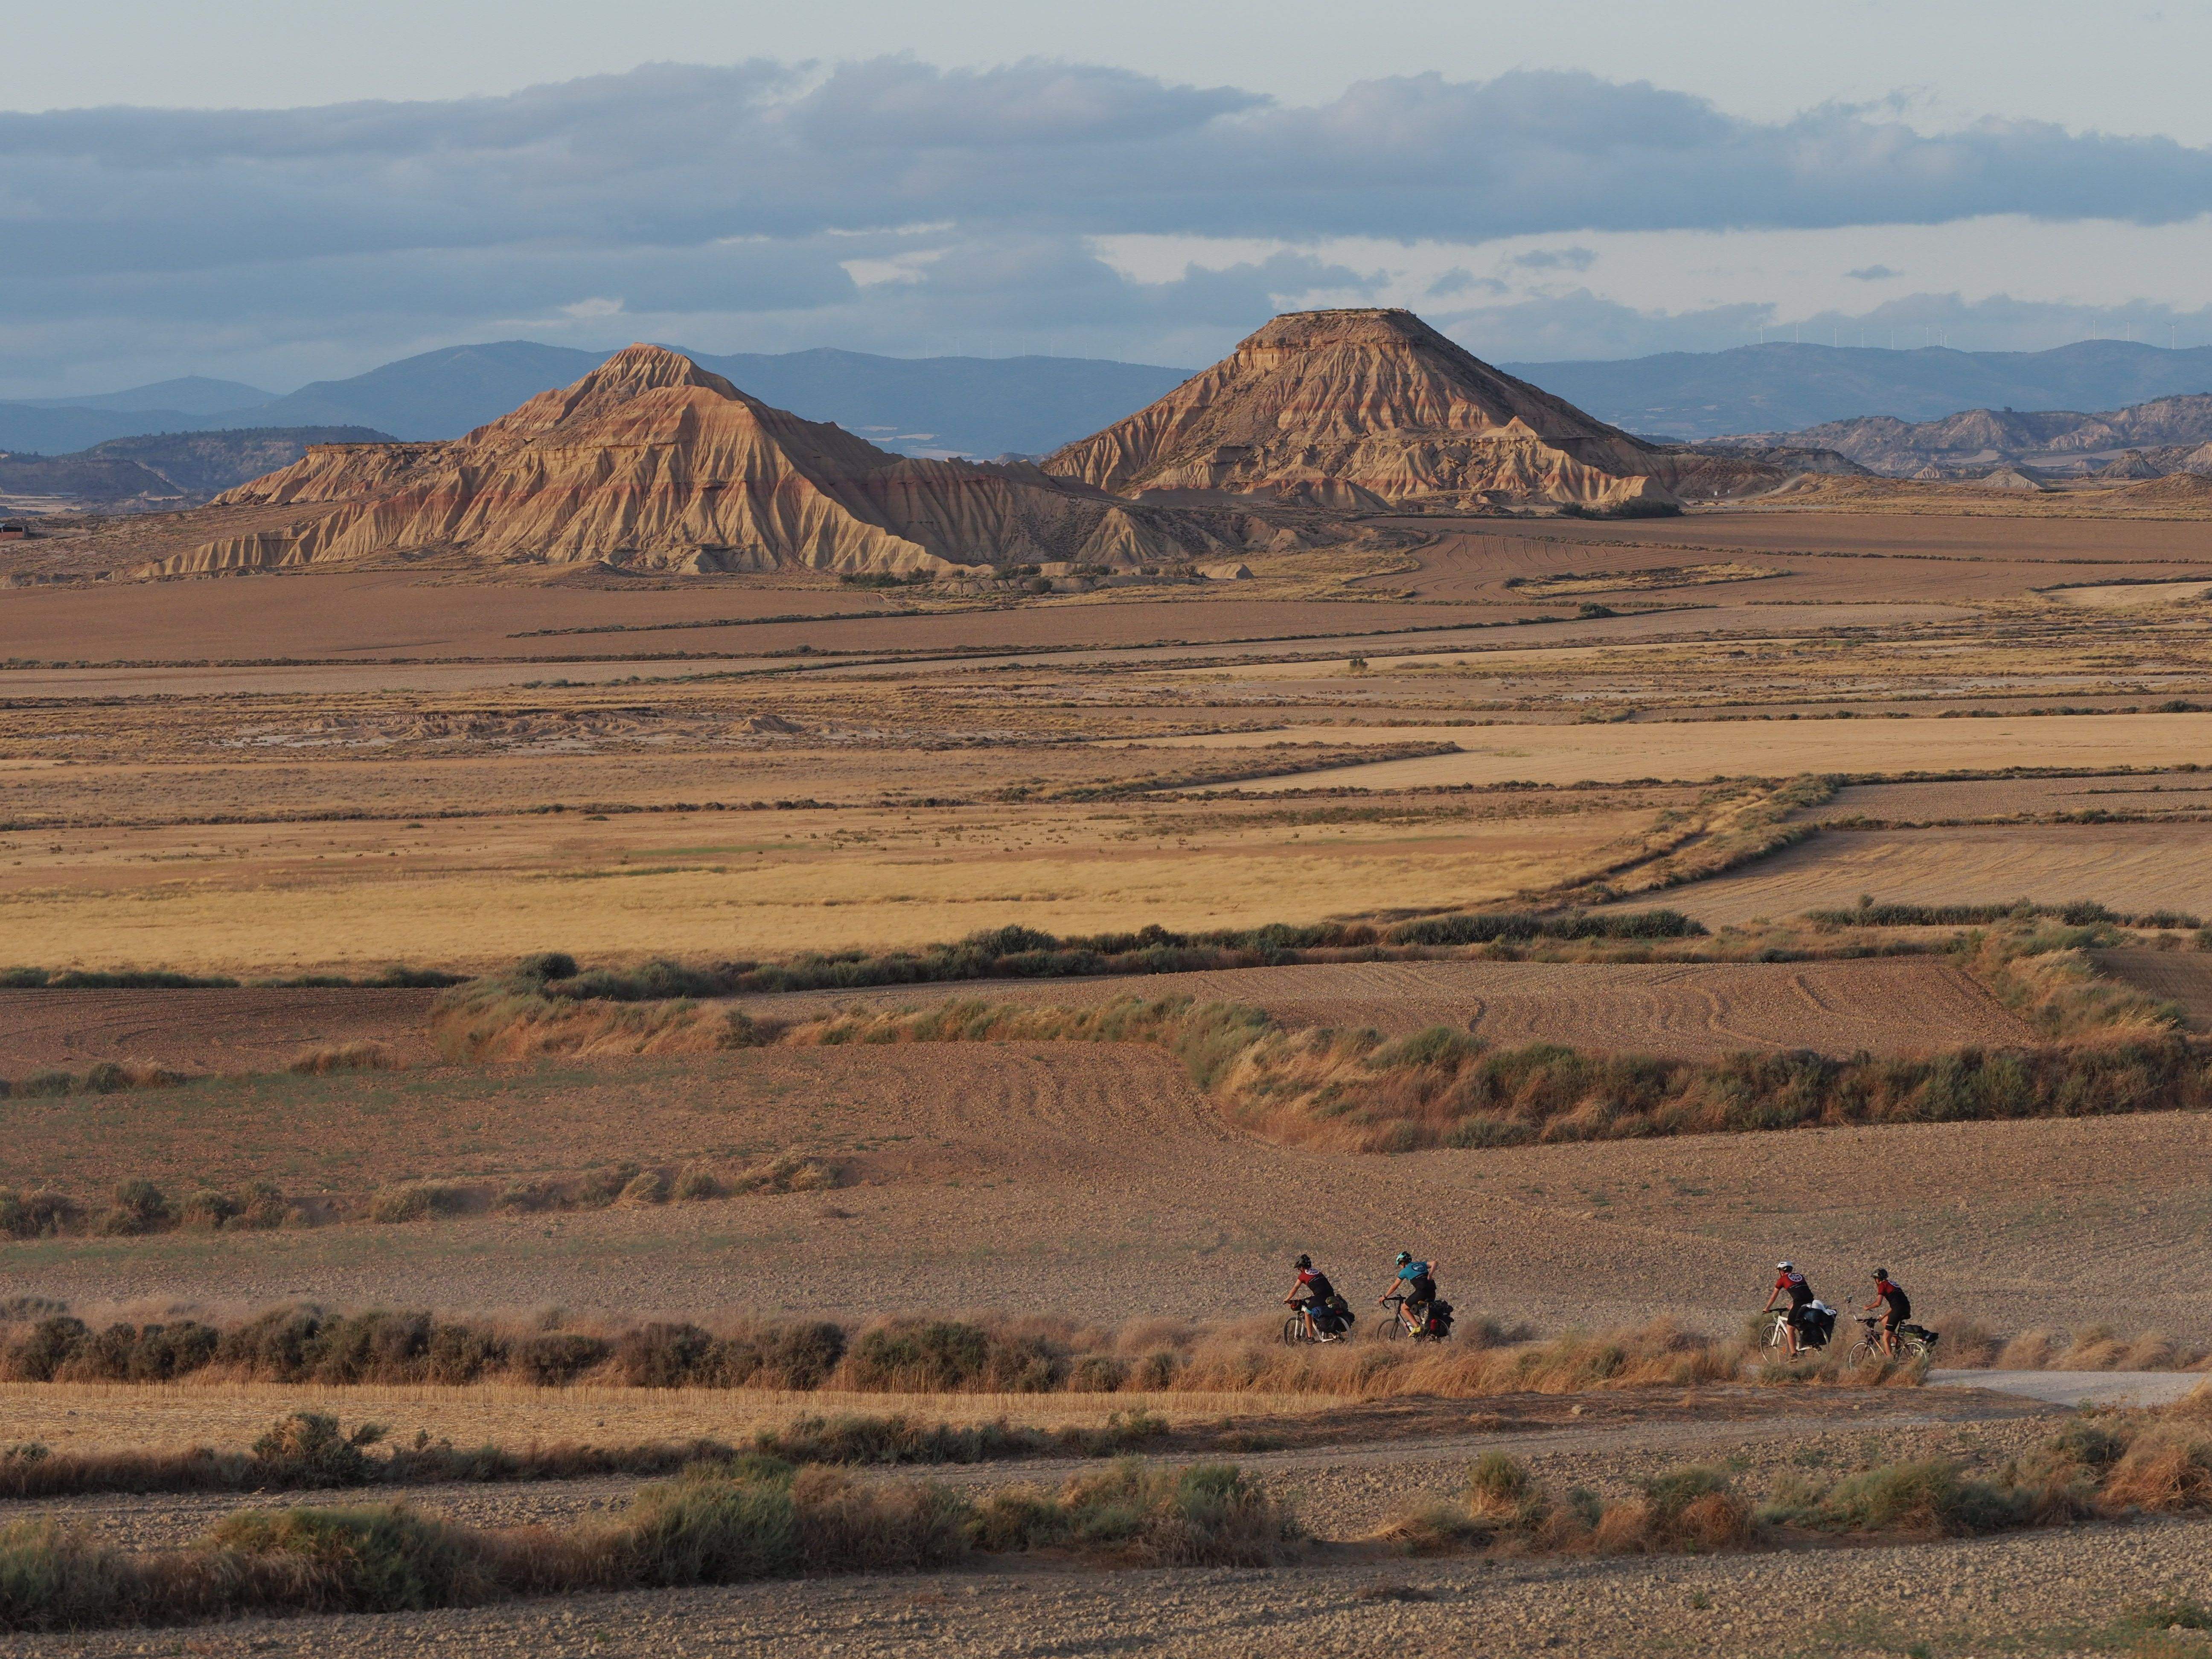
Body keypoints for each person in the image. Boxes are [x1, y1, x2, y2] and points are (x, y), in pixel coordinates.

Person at [1284, 1254, 1343, 1341]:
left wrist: (1287, 1299)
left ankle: (1310, 1337)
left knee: (1308, 1313)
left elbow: (1295, 1288)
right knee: (1322, 1310)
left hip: (1320, 1295)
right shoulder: (1317, 1272)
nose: (1299, 1270)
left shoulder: (1303, 1275)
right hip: (1331, 1294)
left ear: (1302, 1268)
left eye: (1299, 1268)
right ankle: (1333, 1333)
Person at [1763, 1260, 1816, 1356]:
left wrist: (1767, 1308)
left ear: (1782, 1271)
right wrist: (1792, 1304)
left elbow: (1773, 1296)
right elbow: (1801, 1292)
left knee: (1790, 1328)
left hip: (1800, 1303)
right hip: (1811, 1302)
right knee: (1800, 1323)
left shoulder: (1782, 1280)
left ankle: (1793, 1355)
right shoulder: (1800, 1276)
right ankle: (1803, 1347)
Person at [1378, 1250, 1437, 1333]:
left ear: (1403, 1263)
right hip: (1432, 1292)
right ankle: (1424, 1330)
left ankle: (1417, 1327)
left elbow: (1394, 1286)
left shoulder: (1404, 1272)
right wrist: (1430, 1275)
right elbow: (1435, 1262)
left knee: (1404, 1308)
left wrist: (1385, 1296)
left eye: (1400, 1266)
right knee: (1421, 1308)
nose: (1400, 1268)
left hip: (1422, 1292)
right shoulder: (1421, 1264)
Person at [1863, 1268, 1912, 1358]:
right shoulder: (1893, 1284)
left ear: (1877, 1279)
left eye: (1875, 1279)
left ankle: (1890, 1361)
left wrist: (1868, 1307)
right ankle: (1897, 1342)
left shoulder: (1882, 1285)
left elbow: (1878, 1303)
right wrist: (1883, 1316)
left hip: (1898, 1310)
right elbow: (1895, 1305)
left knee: (1885, 1338)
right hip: (1906, 1309)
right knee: (1884, 1321)